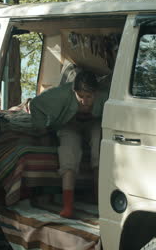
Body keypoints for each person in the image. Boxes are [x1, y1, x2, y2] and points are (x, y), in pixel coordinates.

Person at [30, 69, 108, 218]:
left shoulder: (107, 95)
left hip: (95, 124)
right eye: (80, 96)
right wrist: (42, 132)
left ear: (96, 93)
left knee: (100, 149)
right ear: (74, 92)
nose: (85, 101)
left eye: (89, 97)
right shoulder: (61, 94)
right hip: (69, 124)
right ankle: (68, 206)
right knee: (69, 152)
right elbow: (36, 104)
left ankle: (99, 200)